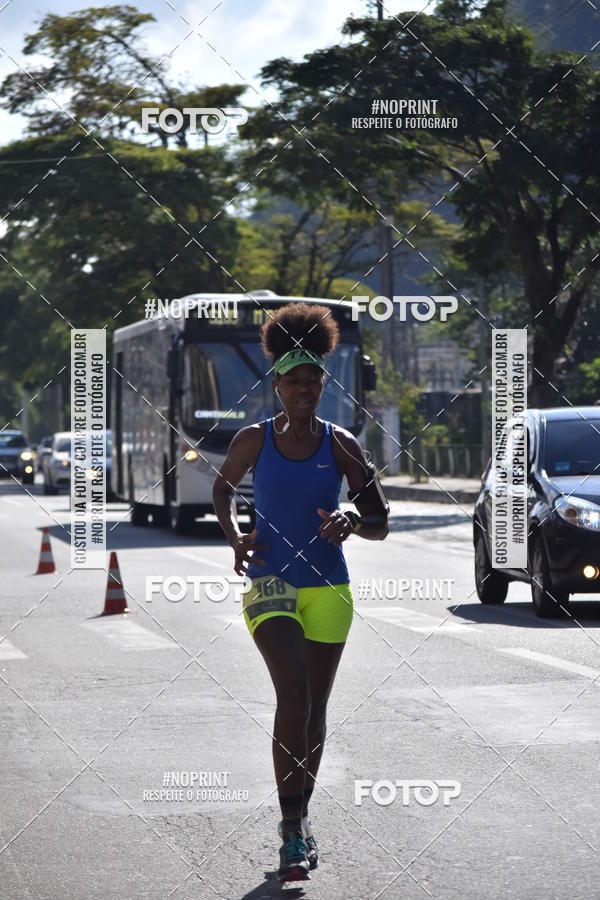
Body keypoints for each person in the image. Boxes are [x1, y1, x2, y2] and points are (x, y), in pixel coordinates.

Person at [212, 302, 389, 882]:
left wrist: (351, 519)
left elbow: (379, 518)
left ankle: (303, 819)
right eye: (295, 381)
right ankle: (290, 830)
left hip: (328, 588)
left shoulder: (340, 444)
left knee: (313, 713)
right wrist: (236, 536)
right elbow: (221, 489)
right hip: (269, 582)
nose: (305, 389)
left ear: (322, 384)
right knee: (292, 694)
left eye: (314, 380)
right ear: (278, 386)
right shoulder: (252, 439)